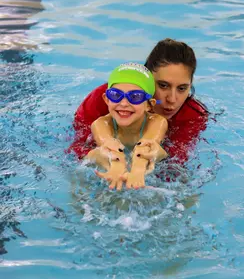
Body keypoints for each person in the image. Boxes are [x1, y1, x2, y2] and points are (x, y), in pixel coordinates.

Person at [67, 38, 209, 166]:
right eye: (163, 85)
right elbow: (76, 150)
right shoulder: (106, 98)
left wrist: (160, 156)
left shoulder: (192, 115)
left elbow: (177, 163)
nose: (172, 99)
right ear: (146, 78)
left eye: (182, 88)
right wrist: (93, 156)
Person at [85, 62, 168, 190]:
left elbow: (147, 145)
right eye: (116, 95)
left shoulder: (157, 122)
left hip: (145, 159)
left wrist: (138, 170)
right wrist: (117, 167)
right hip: (107, 161)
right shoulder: (101, 124)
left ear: (149, 105)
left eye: (135, 97)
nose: (123, 103)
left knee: (159, 153)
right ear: (107, 99)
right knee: (94, 155)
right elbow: (109, 146)